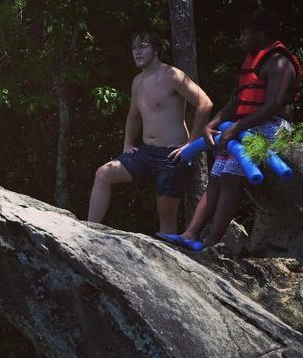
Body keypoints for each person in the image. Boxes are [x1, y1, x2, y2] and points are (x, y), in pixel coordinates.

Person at [175, 7, 302, 249]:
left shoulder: (278, 62)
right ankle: (190, 235)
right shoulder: (252, 61)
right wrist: (211, 126)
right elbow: (236, 101)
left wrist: (236, 129)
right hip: (244, 126)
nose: (240, 38)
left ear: (261, 34)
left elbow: (274, 105)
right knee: (217, 173)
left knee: (232, 174)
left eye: (245, 33)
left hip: (273, 126)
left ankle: (212, 243)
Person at [86, 31, 213, 240]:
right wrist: (127, 142)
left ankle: (169, 263)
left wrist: (192, 144)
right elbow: (133, 115)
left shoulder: (173, 75)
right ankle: (88, 234)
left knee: (165, 214)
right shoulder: (138, 81)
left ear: (155, 50)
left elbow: (205, 104)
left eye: (143, 46)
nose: (137, 52)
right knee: (103, 174)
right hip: (146, 152)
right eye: (134, 48)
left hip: (172, 154)